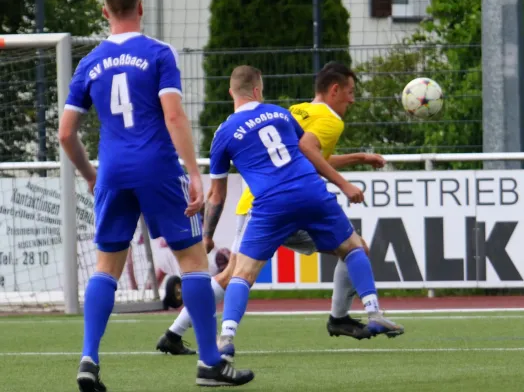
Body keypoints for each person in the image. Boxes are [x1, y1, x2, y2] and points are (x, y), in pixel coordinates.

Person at [57, 0, 254, 389]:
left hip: (112, 170)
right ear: (141, 7)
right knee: (194, 263)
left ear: (104, 11)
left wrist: (90, 173)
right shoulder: (159, 53)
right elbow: (173, 114)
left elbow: (65, 133)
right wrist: (195, 174)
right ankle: (210, 364)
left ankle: (89, 359)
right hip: (158, 169)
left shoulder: (89, 62)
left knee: (105, 268)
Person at [154, 62, 397, 353]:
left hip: (267, 205)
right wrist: (348, 177)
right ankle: (369, 312)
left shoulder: (224, 132)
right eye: (350, 92)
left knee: (239, 274)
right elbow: (306, 153)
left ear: (231, 92)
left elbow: (217, 194)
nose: (352, 98)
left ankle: (224, 337)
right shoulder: (281, 113)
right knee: (353, 247)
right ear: (258, 90)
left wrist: (207, 235)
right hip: (307, 194)